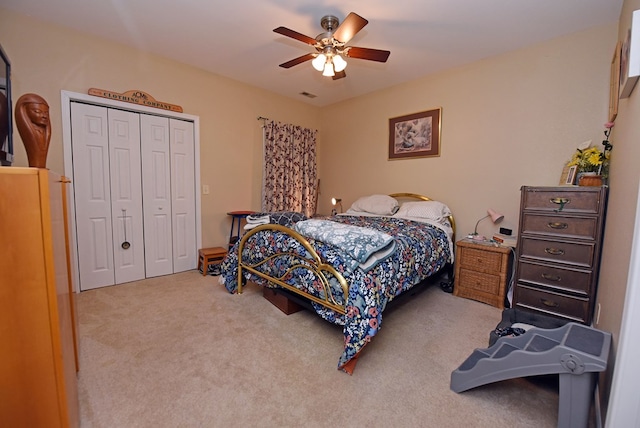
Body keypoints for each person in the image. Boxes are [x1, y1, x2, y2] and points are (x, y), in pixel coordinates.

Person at [15, 93, 51, 168]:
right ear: (25, 111)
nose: (44, 116)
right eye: (37, 111)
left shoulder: (45, 133)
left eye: (46, 113)